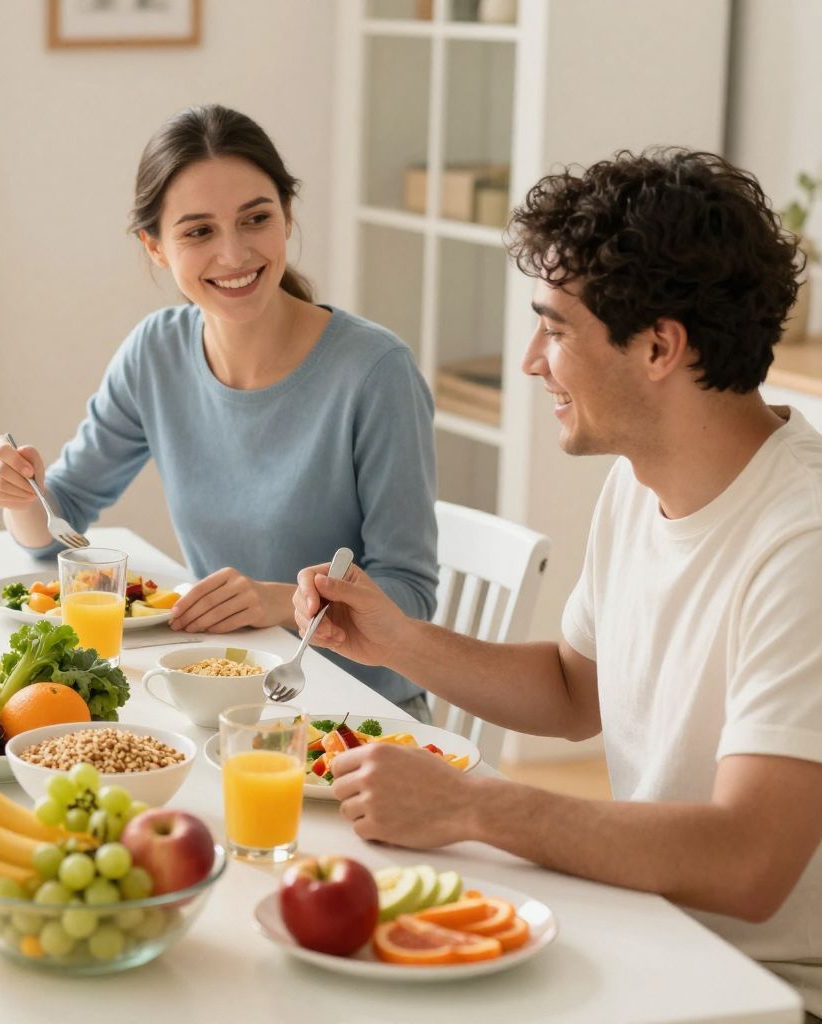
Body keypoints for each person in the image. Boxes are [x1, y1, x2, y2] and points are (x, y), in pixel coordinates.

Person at [292, 149, 822, 1017]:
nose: (534, 360)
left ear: (659, 346)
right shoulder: (641, 482)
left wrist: (475, 805)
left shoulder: (801, 540)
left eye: (556, 327)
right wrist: (395, 637)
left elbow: (749, 862)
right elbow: (579, 689)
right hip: (650, 936)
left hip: (760, 995)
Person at [0, 104, 439, 717]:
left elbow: (410, 600)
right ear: (156, 246)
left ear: (287, 216)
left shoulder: (375, 372)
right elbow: (57, 532)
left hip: (351, 718)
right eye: (198, 231)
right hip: (217, 696)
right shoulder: (156, 352)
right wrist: (21, 496)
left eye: (256, 218)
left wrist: (282, 601)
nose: (234, 254)